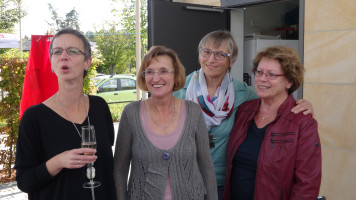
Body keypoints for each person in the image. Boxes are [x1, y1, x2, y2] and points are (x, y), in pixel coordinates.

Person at [173, 30, 314, 199]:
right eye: (206, 52)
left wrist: (302, 105)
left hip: (221, 185)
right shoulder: (177, 89)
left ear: (231, 60)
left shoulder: (244, 94)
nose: (211, 59)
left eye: (220, 54)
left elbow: (276, 100)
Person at [14, 28, 116, 200]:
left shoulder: (100, 107)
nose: (64, 56)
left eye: (73, 51)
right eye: (57, 51)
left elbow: (107, 166)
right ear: (52, 63)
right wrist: (58, 162)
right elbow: (24, 181)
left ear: (87, 62)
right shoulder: (34, 117)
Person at [113, 46, 217, 200]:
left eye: (163, 71)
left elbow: (206, 167)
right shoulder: (131, 113)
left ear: (175, 76)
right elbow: (119, 170)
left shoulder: (193, 112)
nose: (156, 78)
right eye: (149, 72)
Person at [223, 46, 321, 200]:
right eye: (259, 72)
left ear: (289, 81)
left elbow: (307, 184)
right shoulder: (243, 111)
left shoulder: (303, 123)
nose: (262, 79)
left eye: (272, 74)